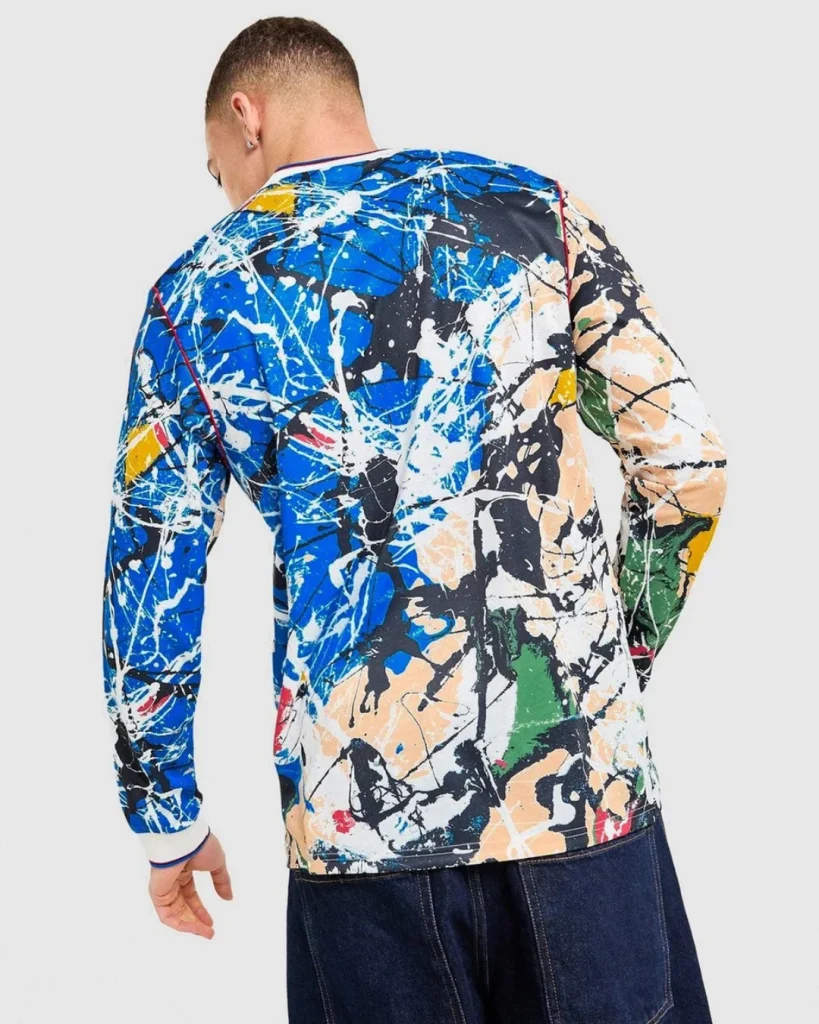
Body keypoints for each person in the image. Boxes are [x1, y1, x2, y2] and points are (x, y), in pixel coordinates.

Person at [101, 15, 728, 1023]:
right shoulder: (534, 213)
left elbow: (149, 576)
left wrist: (166, 819)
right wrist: (598, 670)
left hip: (362, 827)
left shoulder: (198, 294)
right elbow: (687, 467)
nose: (229, 195)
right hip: (580, 794)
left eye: (220, 171)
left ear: (245, 117)